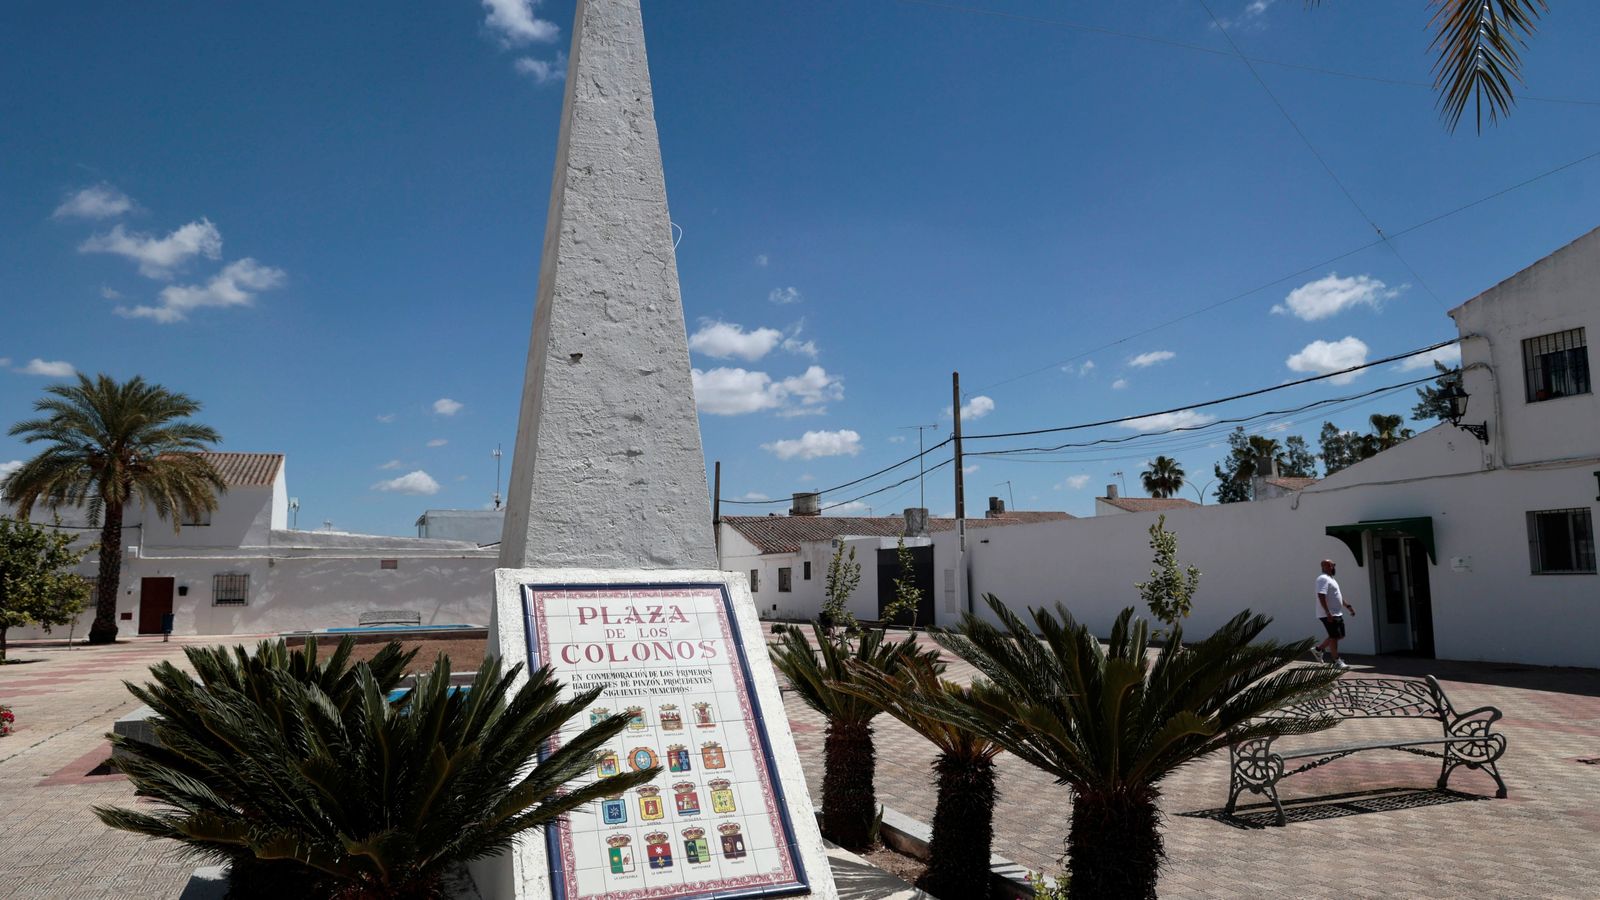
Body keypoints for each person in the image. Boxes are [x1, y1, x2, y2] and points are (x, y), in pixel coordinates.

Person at [1312, 559, 1355, 668]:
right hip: (1329, 614)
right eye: (1332, 565)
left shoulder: (1332, 579)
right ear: (1325, 566)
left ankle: (1319, 649)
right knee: (1334, 636)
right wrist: (1328, 612)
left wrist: (1348, 606)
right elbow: (1321, 595)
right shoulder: (1322, 579)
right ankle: (1336, 661)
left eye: (1334, 565)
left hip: (1337, 613)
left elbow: (1338, 596)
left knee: (1340, 635)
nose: (1334, 567)